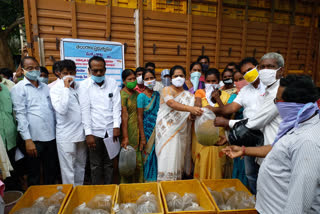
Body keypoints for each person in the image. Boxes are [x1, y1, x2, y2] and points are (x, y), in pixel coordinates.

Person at [223, 75, 320, 213]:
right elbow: (278, 149)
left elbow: (300, 201)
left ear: (291, 104)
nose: (275, 103)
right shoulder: (297, 124)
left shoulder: (307, 142)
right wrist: (243, 150)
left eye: (277, 100)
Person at [215, 53, 283, 193]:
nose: (265, 70)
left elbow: (257, 121)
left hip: (269, 138)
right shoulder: (248, 90)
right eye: (244, 73)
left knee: (270, 178)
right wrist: (212, 109)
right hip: (249, 136)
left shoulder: (277, 90)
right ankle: (255, 199)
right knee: (251, 173)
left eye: (270, 67)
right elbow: (231, 108)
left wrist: (228, 123)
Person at [10, 56, 58, 185]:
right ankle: (36, 200)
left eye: (36, 68)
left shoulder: (45, 87)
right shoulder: (19, 88)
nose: (34, 71)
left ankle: (51, 199)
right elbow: (20, 114)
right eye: (30, 68)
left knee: (51, 170)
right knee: (34, 172)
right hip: (34, 139)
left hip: (51, 137)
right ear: (22, 69)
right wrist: (28, 140)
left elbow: (51, 111)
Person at [155, 65, 203, 181]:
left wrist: (194, 111)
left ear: (185, 78)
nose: (178, 78)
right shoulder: (167, 90)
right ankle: (164, 185)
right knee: (167, 158)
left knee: (177, 159)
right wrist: (190, 109)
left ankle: (174, 188)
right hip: (166, 130)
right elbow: (171, 103)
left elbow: (190, 115)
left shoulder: (189, 96)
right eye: (176, 76)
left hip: (181, 131)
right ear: (171, 78)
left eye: (181, 76)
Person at [79, 56, 121, 185]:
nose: (98, 73)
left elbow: (116, 106)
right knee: (95, 165)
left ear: (105, 69)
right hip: (95, 132)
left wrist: (116, 126)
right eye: (95, 70)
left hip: (110, 131)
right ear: (89, 70)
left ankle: (109, 189)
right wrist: (88, 133)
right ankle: (97, 191)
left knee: (109, 164)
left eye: (101, 70)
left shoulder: (112, 83)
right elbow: (85, 111)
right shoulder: (84, 86)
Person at [50, 60, 87, 186]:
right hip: (66, 136)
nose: (69, 75)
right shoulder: (55, 89)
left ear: (76, 72)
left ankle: (79, 191)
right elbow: (62, 109)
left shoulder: (79, 87)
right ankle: (70, 195)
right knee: (68, 170)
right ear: (59, 74)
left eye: (71, 72)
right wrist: (65, 88)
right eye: (65, 73)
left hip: (81, 134)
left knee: (80, 166)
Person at [192, 68, 233, 179]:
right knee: (202, 163)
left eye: (214, 81)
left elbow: (227, 115)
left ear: (218, 81)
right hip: (203, 135)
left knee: (218, 166)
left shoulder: (226, 96)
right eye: (208, 81)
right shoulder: (200, 94)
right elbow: (197, 107)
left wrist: (218, 99)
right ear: (204, 82)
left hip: (219, 136)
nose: (211, 84)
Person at [120, 69, 143, 183]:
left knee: (138, 161)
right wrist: (125, 137)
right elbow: (124, 116)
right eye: (130, 79)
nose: (133, 81)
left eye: (134, 79)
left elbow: (140, 115)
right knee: (128, 161)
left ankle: (139, 185)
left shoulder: (138, 94)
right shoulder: (122, 94)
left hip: (138, 129)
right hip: (127, 130)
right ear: (124, 81)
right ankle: (126, 186)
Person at [137, 69, 160, 182]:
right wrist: (142, 136)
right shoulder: (141, 97)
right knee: (147, 157)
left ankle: (156, 181)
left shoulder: (158, 95)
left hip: (159, 131)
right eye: (147, 79)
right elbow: (140, 117)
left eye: (152, 78)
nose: (150, 81)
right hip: (146, 131)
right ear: (143, 81)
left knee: (156, 156)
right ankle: (147, 182)